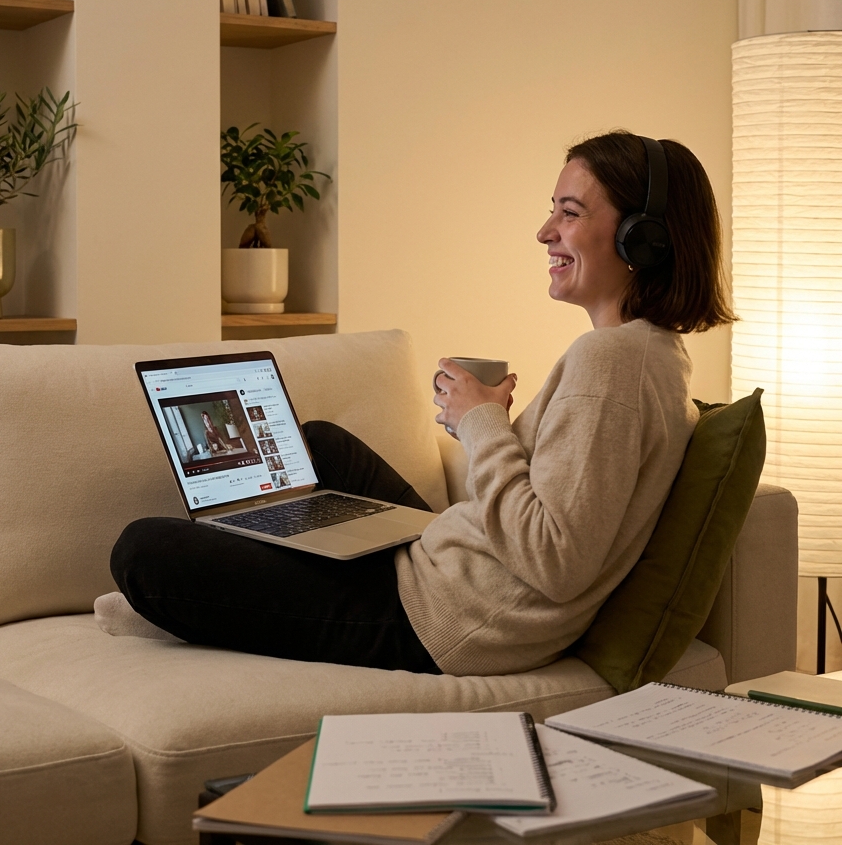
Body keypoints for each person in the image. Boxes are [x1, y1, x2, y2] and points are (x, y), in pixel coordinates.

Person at [111, 131, 735, 677]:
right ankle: (291, 551)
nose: (545, 232)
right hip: (456, 575)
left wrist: (482, 421)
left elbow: (556, 560)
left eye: (568, 213)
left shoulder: (611, 364)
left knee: (143, 552)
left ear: (642, 239)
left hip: (449, 624)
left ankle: (253, 574)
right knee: (321, 442)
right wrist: (485, 428)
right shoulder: (652, 354)